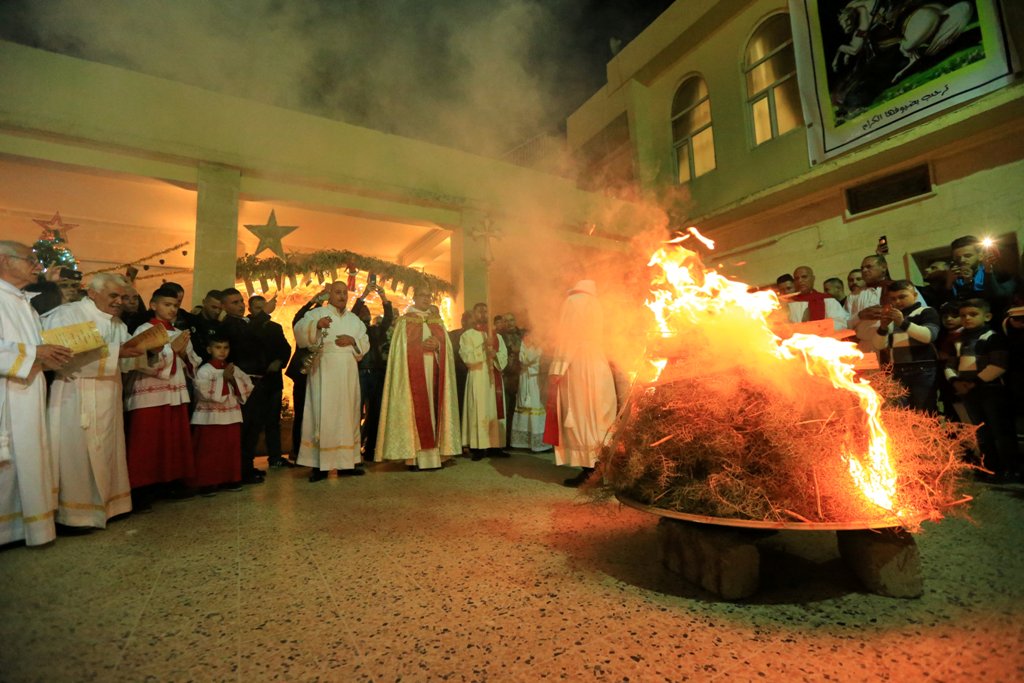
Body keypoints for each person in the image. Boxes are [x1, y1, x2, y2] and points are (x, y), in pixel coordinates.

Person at [45, 273, 144, 529]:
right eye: (113, 295)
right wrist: (117, 352)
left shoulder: (117, 323)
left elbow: (124, 361)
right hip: (75, 393)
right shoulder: (67, 314)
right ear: (92, 292)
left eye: (122, 296)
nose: (119, 301)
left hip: (109, 393)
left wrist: (145, 350)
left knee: (109, 449)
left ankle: (112, 504)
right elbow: (62, 356)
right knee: (76, 454)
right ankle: (76, 515)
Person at [0, 241, 72, 546]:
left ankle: (22, 527)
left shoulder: (21, 300)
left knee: (28, 456)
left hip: (28, 388)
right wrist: (33, 352)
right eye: (29, 259)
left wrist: (48, 351)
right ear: (4, 260)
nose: (37, 266)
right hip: (6, 393)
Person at [123, 286, 200, 509]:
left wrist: (184, 354)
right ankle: (143, 488)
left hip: (174, 393)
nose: (172, 309)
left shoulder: (178, 331)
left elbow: (193, 361)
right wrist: (172, 351)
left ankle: (170, 483)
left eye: (175, 305)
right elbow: (140, 361)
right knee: (147, 441)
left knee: (172, 441)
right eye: (167, 305)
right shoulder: (144, 329)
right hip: (150, 393)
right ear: (153, 305)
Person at [375, 287, 461, 470]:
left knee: (434, 410)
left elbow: (448, 349)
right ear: (414, 298)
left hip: (435, 373)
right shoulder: (405, 322)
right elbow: (399, 352)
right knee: (414, 413)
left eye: (429, 295)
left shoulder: (437, 321)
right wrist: (419, 348)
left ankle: (436, 457)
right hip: (412, 376)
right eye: (423, 295)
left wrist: (438, 345)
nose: (426, 298)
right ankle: (413, 458)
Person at [544, 280, 617, 487]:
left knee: (580, 414)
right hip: (598, 362)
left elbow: (569, 337)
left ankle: (589, 470)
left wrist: (558, 368)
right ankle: (601, 466)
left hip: (578, 365)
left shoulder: (574, 301)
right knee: (598, 415)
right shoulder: (597, 303)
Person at [294, 281, 369, 481]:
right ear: (330, 295)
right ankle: (319, 466)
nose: (342, 296)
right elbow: (299, 331)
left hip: (348, 372)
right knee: (322, 412)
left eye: (345, 292)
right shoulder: (317, 314)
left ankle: (347, 463)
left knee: (348, 413)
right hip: (324, 370)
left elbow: (365, 342)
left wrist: (353, 341)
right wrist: (316, 326)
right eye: (337, 292)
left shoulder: (355, 320)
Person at [944, 298, 1019, 482]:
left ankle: (1010, 469)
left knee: (1000, 431)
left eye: (973, 314)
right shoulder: (958, 340)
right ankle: (989, 467)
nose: (967, 318)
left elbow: (998, 365)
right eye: (963, 315)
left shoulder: (993, 337)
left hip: (991, 390)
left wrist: (973, 382)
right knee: (980, 431)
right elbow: (950, 364)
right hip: (968, 392)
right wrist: (955, 381)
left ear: (987, 316)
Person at [219, 288, 272, 482]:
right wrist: (263, 315)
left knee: (254, 426)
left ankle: (247, 466)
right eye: (234, 303)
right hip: (242, 381)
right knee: (244, 426)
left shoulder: (244, 322)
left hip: (257, 379)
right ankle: (239, 470)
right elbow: (245, 343)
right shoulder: (229, 326)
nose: (240, 305)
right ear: (224, 306)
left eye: (241, 301)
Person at [189, 336, 253, 495]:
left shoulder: (233, 368)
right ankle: (207, 482)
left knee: (229, 449)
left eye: (225, 347)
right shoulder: (205, 370)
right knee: (210, 451)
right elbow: (202, 392)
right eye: (218, 347)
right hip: (210, 418)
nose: (222, 351)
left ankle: (229, 479)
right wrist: (223, 379)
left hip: (231, 415)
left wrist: (232, 380)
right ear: (209, 349)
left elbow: (247, 385)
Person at [872, 280, 940, 412]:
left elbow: (928, 336)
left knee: (924, 411)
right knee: (904, 413)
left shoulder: (926, 311)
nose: (897, 302)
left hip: (922, 369)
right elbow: (879, 345)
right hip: (898, 371)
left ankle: (927, 433)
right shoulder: (893, 317)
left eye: (902, 296)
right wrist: (883, 327)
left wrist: (902, 323)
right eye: (893, 298)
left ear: (914, 295)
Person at [246, 294, 291, 469]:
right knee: (252, 422)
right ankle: (247, 460)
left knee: (273, 421)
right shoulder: (247, 327)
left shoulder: (275, 327)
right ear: (250, 309)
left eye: (263, 307)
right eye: (257, 308)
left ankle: (275, 457)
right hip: (253, 382)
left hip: (273, 381)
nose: (261, 311)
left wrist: (280, 361)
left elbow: (285, 348)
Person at [351, 284, 394, 461]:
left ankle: (370, 450)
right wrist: (364, 295)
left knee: (375, 413)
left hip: (376, 374)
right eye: (363, 310)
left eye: (367, 311)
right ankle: (353, 450)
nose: (365, 313)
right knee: (356, 412)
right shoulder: (353, 328)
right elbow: (353, 313)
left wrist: (383, 298)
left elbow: (388, 319)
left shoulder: (376, 331)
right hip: (359, 374)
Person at [460, 302, 508, 460]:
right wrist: (483, 349)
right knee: (479, 409)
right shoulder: (467, 336)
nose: (483, 315)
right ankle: (478, 447)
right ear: (473, 315)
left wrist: (494, 354)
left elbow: (504, 357)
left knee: (494, 408)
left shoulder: (497, 336)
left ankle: (496, 445)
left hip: (493, 376)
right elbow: (467, 358)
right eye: (479, 312)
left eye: (486, 312)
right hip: (478, 375)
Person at [284, 287, 327, 460]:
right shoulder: (302, 329)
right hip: (303, 374)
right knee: (301, 412)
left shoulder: (328, 330)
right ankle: (297, 450)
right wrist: (313, 301)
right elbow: (298, 318)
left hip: (322, 374)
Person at [949, 235, 1018, 324]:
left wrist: (988, 271)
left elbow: (999, 298)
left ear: (980, 256)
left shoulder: (998, 273)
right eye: (957, 258)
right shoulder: (957, 280)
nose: (962, 260)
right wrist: (964, 282)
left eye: (967, 256)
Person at [509, 328, 550, 452]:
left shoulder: (539, 346)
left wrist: (532, 347)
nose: (527, 337)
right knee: (524, 408)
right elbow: (522, 359)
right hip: (524, 379)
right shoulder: (523, 344)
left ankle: (538, 443)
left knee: (535, 407)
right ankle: (523, 442)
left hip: (535, 381)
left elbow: (529, 358)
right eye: (526, 335)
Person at [787, 265, 849, 331]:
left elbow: (842, 323)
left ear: (813, 278)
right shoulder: (789, 304)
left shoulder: (828, 300)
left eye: (804, 277)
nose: (800, 280)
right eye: (797, 278)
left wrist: (816, 327)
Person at [447, 311, 473, 417]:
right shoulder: (453, 335)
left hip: (474, 375)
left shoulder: (480, 336)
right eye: (469, 323)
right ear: (463, 321)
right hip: (458, 375)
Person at [189, 290, 225, 364]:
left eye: (220, 309)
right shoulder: (191, 321)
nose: (217, 312)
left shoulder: (221, 327)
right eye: (214, 307)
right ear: (204, 302)